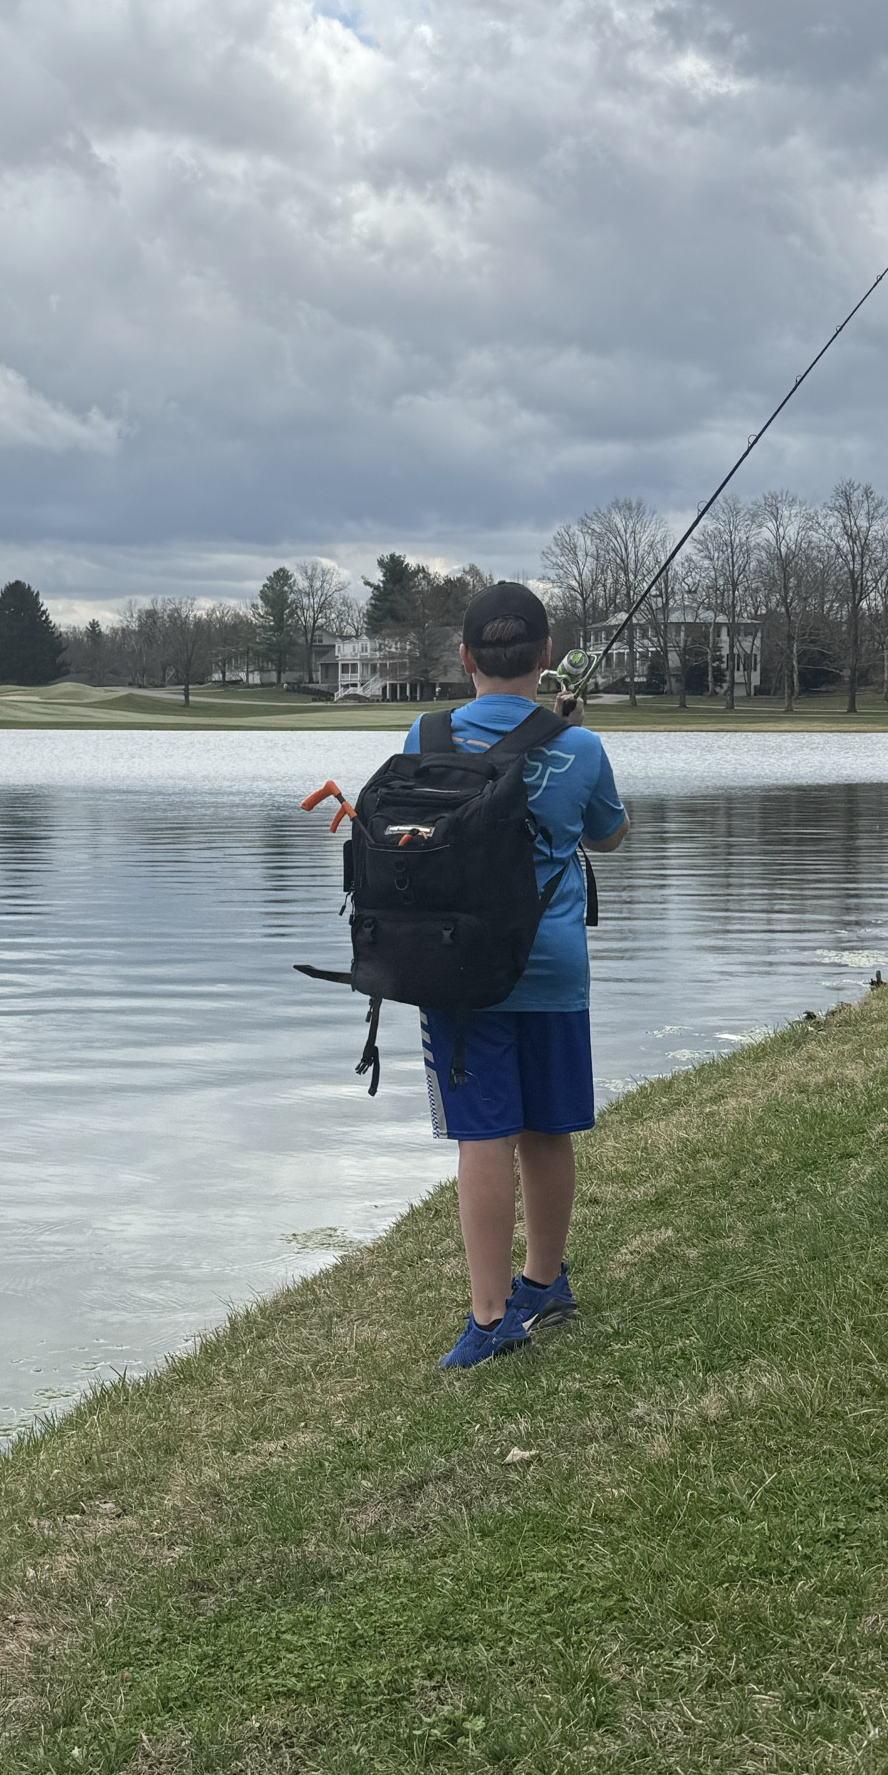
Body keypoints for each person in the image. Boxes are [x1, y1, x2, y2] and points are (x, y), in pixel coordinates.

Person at [403, 582, 629, 1370]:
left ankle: (491, 1316)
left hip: (459, 967)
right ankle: (544, 1282)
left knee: (482, 1135)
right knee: (546, 1127)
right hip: (554, 964)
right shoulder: (583, 748)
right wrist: (569, 738)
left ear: (464, 659)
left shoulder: (425, 733)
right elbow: (610, 836)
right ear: (544, 657)